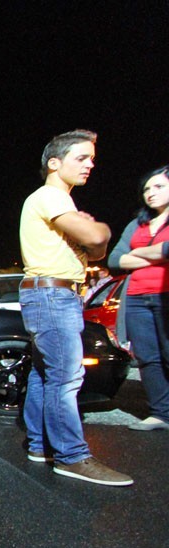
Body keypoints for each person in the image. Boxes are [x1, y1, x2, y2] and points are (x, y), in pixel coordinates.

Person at [18, 129, 132, 485]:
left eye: (92, 159)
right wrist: (100, 227)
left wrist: (92, 233)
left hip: (51, 294)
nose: (90, 165)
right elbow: (98, 239)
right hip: (52, 295)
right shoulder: (51, 197)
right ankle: (71, 456)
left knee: (45, 374)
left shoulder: (61, 202)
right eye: (81, 158)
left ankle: (41, 446)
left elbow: (97, 253)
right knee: (66, 378)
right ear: (54, 163)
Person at [108, 165, 169, 431]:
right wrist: (157, 254)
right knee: (147, 357)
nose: (150, 193)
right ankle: (161, 414)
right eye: (146, 189)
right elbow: (114, 260)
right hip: (136, 298)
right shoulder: (137, 224)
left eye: (159, 187)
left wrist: (137, 254)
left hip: (165, 296)